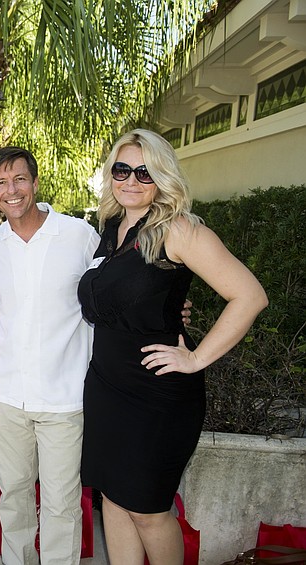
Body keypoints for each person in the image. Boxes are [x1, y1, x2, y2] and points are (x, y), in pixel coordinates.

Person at [78, 129, 267, 564]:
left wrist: (196, 358)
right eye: (122, 169)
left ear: (163, 177)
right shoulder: (112, 227)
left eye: (144, 172)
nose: (131, 180)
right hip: (107, 386)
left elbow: (250, 296)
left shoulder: (179, 230)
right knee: (114, 500)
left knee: (148, 510)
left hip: (157, 395)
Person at [0, 146, 99, 565]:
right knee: (12, 497)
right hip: (8, 394)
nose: (11, 190)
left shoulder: (78, 235)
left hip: (63, 397)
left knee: (61, 505)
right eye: (1, 183)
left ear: (34, 182)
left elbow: (115, 291)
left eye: (19, 179)